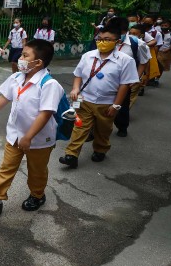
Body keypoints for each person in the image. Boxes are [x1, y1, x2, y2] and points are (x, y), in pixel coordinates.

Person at [0, 39, 63, 215]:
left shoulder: (49, 84)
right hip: (15, 135)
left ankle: (37, 195)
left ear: (38, 62)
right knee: (6, 167)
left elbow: (45, 114)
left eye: (25, 55)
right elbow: (4, 97)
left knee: (36, 171)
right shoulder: (17, 77)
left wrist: (29, 137)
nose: (20, 58)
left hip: (39, 140)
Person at [58, 25, 139, 169]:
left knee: (103, 129)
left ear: (117, 41)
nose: (102, 42)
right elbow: (78, 74)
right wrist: (76, 88)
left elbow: (125, 85)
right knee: (80, 128)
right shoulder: (88, 56)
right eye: (99, 39)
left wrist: (116, 105)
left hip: (107, 102)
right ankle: (71, 155)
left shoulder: (125, 60)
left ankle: (100, 149)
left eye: (107, 39)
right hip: (85, 100)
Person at [111, 18, 150, 137]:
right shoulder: (106, 40)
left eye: (121, 33)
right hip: (106, 79)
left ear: (125, 31)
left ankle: (122, 126)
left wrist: (135, 78)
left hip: (124, 81)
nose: (117, 36)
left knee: (122, 106)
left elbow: (144, 61)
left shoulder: (136, 43)